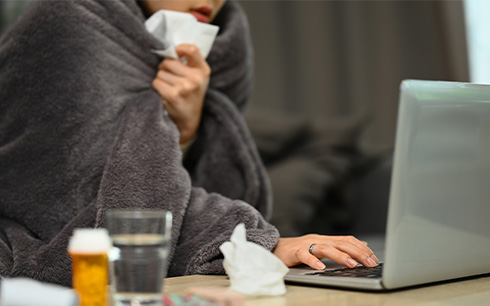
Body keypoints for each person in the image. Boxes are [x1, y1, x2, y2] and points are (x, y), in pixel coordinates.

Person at [0, 0, 377, 286]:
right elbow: (61, 201)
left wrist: (187, 129)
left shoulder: (223, 53)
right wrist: (251, 243)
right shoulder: (65, 25)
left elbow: (205, 185)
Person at [139, 0, 379, 271]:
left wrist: (186, 132)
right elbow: (119, 205)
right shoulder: (87, 50)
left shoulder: (220, 63)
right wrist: (262, 243)